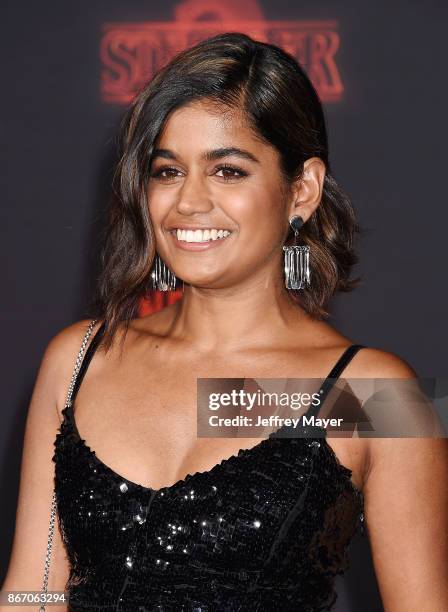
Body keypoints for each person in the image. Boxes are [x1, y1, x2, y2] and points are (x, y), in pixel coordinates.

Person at [2, 32, 447, 612]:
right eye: (167, 171)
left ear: (302, 189)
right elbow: (33, 590)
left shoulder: (375, 394)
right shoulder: (80, 358)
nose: (188, 202)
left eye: (228, 171)